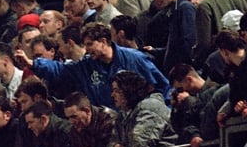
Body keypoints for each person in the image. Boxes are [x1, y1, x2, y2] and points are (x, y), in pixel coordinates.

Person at [25, 23, 171, 108]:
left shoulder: (135, 59)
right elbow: (60, 70)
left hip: (136, 120)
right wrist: (34, 64)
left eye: (90, 44)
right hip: (105, 124)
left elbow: (161, 87)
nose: (86, 49)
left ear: (103, 41)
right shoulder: (86, 65)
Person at [108, 71, 174, 147]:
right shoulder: (123, 115)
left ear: (128, 90)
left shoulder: (150, 106)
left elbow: (139, 144)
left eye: (116, 90)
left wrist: (123, 146)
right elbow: (112, 140)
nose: (112, 95)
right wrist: (116, 146)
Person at [145, 0, 197, 73]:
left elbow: (189, 43)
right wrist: (155, 51)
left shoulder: (184, 7)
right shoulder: (172, 11)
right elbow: (175, 47)